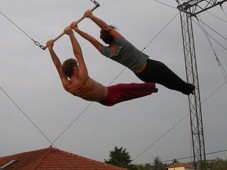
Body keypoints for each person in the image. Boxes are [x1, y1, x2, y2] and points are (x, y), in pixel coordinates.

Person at [70, 10, 195, 95]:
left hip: (143, 75)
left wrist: (76, 30)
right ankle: (187, 88)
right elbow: (105, 27)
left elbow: (91, 40)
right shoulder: (121, 42)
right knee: (171, 78)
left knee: (166, 83)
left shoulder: (107, 52)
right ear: (112, 34)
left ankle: (186, 90)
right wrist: (91, 16)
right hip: (151, 67)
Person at [46, 26, 158, 106]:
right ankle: (152, 87)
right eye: (78, 66)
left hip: (105, 101)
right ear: (75, 68)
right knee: (131, 89)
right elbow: (78, 54)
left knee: (132, 89)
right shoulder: (82, 78)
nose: (79, 67)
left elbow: (57, 66)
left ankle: (152, 88)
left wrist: (50, 49)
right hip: (110, 94)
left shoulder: (68, 86)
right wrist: (71, 34)